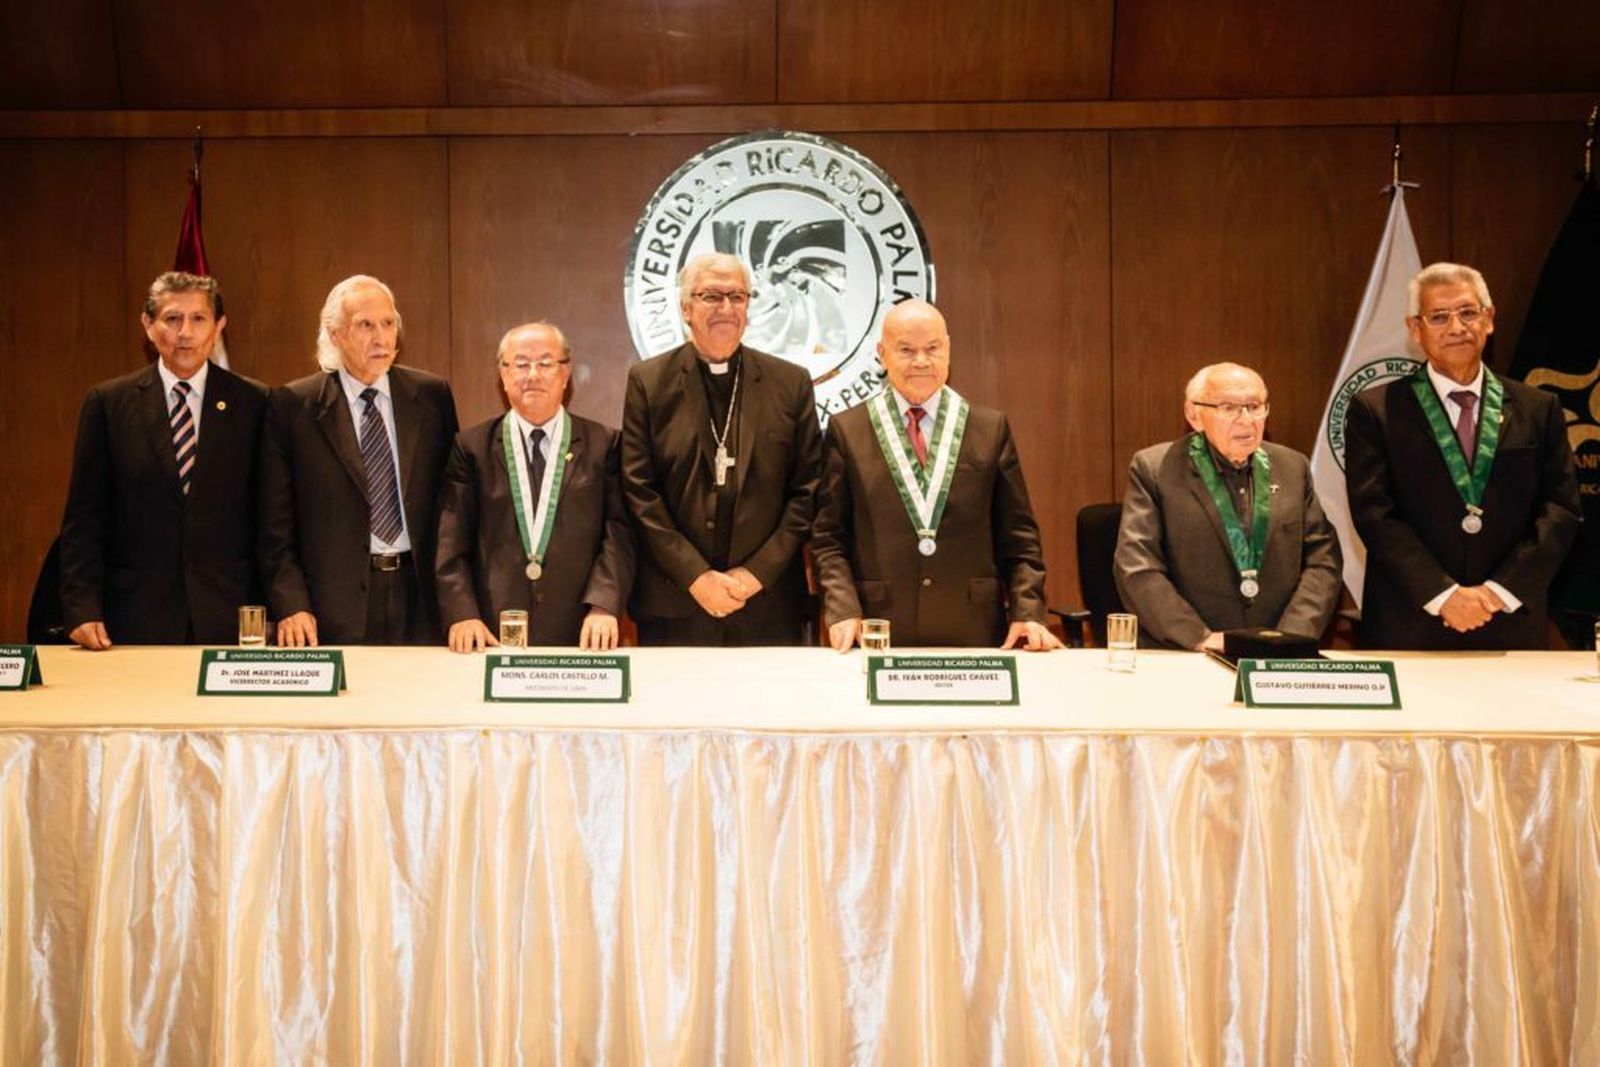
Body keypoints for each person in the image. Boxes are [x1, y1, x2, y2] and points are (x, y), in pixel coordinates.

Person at [1344, 262, 1580, 650]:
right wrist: (1443, 595)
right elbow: (1375, 514)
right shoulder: (1375, 409)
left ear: (1489, 319)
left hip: (1509, 620)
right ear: (1415, 329)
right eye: (1439, 317)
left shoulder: (1539, 407)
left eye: (1468, 312)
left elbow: (1561, 509)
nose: (1456, 327)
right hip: (1410, 622)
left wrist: (1499, 592)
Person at [813, 300, 1060, 650]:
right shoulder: (847, 431)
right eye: (906, 350)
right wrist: (841, 609)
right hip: (875, 630)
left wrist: (1029, 611)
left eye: (932, 348)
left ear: (948, 350)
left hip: (973, 629)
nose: (921, 361)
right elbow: (828, 538)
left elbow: (1019, 537)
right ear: (882, 354)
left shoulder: (989, 429)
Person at [620, 252, 822, 645]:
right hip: (676, 603)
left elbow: (807, 492)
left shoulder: (790, 384)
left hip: (767, 605)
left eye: (737, 297)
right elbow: (639, 492)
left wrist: (755, 574)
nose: (726, 308)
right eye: (711, 296)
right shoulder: (649, 382)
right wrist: (695, 576)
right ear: (686, 309)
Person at [58, 271, 268, 648]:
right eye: (172, 319)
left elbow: (272, 520)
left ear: (218, 326)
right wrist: (81, 607)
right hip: (134, 614)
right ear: (148, 326)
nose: (185, 332)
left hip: (229, 611)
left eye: (198, 318)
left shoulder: (256, 403)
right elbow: (84, 518)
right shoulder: (109, 404)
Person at [259, 275, 458, 646]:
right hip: (332, 606)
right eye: (366, 325)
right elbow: (274, 525)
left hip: (420, 598)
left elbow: (453, 508)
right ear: (335, 334)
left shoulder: (432, 396)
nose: (381, 338)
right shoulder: (293, 406)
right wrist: (291, 604)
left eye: (388, 323)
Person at [1114, 362, 1342, 651]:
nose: (1246, 420)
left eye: (1254, 406)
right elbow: (1137, 567)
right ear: (1193, 415)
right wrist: (1199, 637)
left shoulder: (1292, 467)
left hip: (1279, 650)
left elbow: (1323, 561)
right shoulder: (1156, 469)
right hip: (1187, 652)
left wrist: (1290, 637)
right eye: (1228, 408)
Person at [435, 322, 634, 651]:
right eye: (520, 364)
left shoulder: (604, 445)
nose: (533, 375)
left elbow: (619, 533)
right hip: (490, 631)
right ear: (503, 375)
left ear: (565, 373)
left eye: (545, 363)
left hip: (583, 630)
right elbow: (450, 541)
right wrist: (462, 613)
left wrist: (604, 605)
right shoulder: (471, 448)